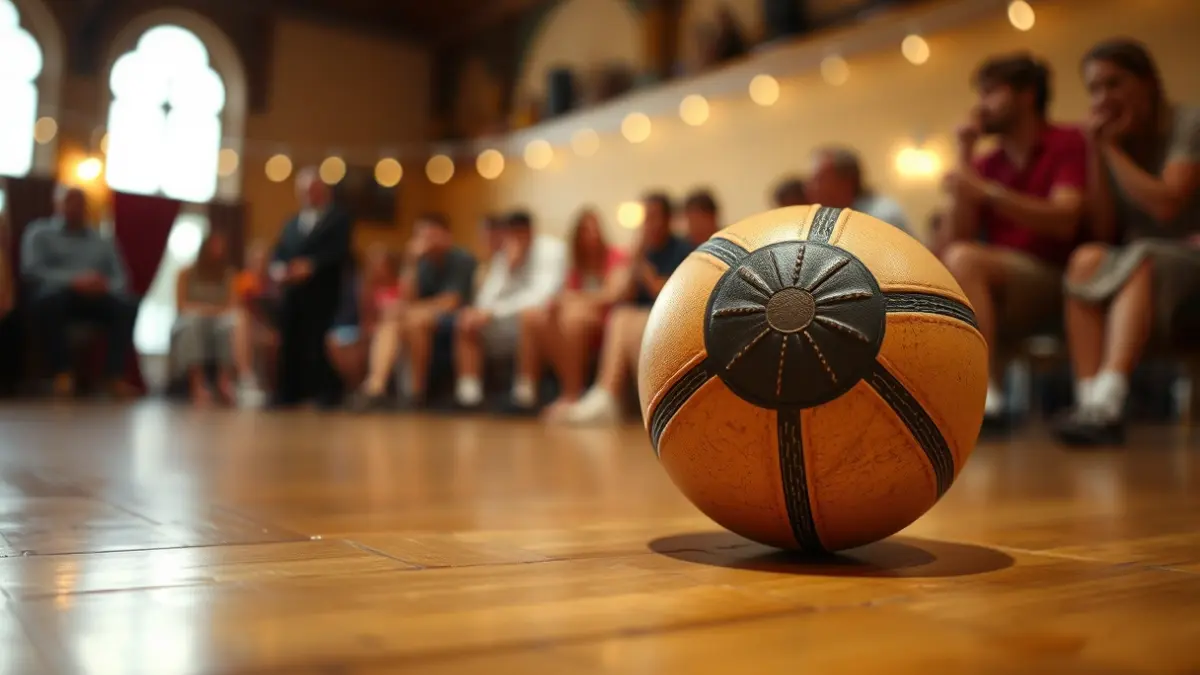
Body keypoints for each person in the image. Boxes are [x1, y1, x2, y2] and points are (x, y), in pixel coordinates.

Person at [1051, 39, 1200, 447]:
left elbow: (1167, 205)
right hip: (1140, 259)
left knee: (1141, 256)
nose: (1103, 98)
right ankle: (1090, 402)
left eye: (1114, 84)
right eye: (1094, 89)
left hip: (1189, 256)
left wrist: (1110, 149)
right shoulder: (1110, 140)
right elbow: (1103, 228)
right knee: (1085, 259)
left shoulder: (1188, 123)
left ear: (1148, 82)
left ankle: (1110, 398)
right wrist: (1096, 154)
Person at [941, 53, 1088, 429]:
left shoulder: (1067, 142)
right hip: (1005, 278)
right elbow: (956, 238)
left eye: (991, 92)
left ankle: (982, 392)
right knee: (957, 262)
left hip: (1061, 275)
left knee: (966, 260)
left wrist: (989, 193)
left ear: (1027, 95)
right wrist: (964, 153)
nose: (981, 106)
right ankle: (981, 396)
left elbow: (1064, 221)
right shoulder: (987, 163)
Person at [553, 192, 694, 424]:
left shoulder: (682, 249)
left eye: (654, 217)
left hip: (667, 317)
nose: (648, 224)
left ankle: (611, 397)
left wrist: (642, 268)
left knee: (625, 319)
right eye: (645, 218)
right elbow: (624, 294)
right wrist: (634, 258)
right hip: (636, 316)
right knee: (620, 316)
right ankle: (604, 395)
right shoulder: (643, 250)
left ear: (668, 219)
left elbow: (669, 295)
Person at [21, 185, 138, 398]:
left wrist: (103, 285)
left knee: (127, 305)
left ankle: (114, 376)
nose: (75, 207)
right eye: (70, 201)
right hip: (57, 295)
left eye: (80, 203)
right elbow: (31, 270)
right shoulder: (39, 232)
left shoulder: (102, 240)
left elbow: (121, 278)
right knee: (50, 301)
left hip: (95, 298)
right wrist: (73, 281)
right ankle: (62, 373)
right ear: (57, 204)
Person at [353, 213, 476, 410]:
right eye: (420, 235)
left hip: (457, 319)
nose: (425, 240)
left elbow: (451, 302)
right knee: (392, 319)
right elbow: (406, 298)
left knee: (414, 320)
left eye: (431, 234)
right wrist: (410, 262)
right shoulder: (422, 262)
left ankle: (416, 393)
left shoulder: (461, 259)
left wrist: (412, 310)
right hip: (422, 317)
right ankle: (375, 387)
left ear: (446, 236)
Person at [517, 208, 628, 412]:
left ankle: (571, 394)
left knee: (573, 319)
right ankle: (526, 389)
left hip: (607, 321)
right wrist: (561, 303)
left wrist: (575, 299)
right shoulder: (576, 266)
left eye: (594, 229)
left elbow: (612, 295)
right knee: (533, 317)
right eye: (586, 231)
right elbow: (566, 294)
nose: (591, 235)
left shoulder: (615, 257)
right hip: (576, 318)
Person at [454, 210, 566, 408]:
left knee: (530, 317)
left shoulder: (553, 250)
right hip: (502, 322)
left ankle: (524, 395)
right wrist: (509, 269)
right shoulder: (505, 254)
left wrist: (494, 313)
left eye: (519, 233)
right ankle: (469, 397)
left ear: (530, 231)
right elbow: (486, 300)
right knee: (466, 320)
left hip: (537, 322)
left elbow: (543, 297)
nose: (515, 238)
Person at [268, 167, 353, 409]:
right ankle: (289, 393)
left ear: (324, 191)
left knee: (317, 341)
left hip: (323, 292)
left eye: (313, 189)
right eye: (304, 190)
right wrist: (279, 270)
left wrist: (312, 265)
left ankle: (324, 392)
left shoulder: (338, 219)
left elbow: (340, 252)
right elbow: (280, 252)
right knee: (290, 340)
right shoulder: (291, 223)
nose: (309, 194)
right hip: (293, 293)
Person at [172, 231, 237, 405]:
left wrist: (209, 311)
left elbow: (231, 305)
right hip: (192, 318)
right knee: (191, 323)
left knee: (228, 325)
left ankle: (224, 382)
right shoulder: (186, 273)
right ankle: (197, 383)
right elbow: (181, 305)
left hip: (217, 320)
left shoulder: (228, 275)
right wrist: (204, 310)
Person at [805, 146, 910, 231]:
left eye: (820, 179)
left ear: (847, 182)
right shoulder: (831, 215)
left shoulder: (883, 215)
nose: (811, 187)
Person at [232, 241, 278, 406]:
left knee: (274, 339)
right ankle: (246, 379)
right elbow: (235, 307)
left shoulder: (273, 284)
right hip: (245, 327)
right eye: (256, 260)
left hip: (268, 327)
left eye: (263, 260)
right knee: (242, 324)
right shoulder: (242, 281)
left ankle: (272, 388)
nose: (260, 264)